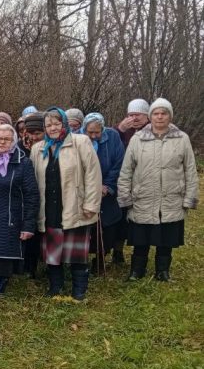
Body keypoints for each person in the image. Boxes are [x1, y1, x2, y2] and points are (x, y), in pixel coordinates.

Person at [118, 98, 199, 282]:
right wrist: (125, 197)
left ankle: (162, 272)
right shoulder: (138, 139)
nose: (160, 117)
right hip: (143, 197)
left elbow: (190, 170)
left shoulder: (182, 138)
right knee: (141, 238)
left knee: (166, 237)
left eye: (164, 113)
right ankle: (136, 271)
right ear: (150, 116)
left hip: (171, 198)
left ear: (170, 116)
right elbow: (126, 171)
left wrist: (189, 198)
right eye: (156, 113)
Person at [30, 108, 102, 301]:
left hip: (74, 206)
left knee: (77, 253)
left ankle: (79, 290)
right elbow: (34, 181)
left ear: (64, 123)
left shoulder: (80, 142)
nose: (53, 128)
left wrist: (91, 204)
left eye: (56, 123)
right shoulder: (38, 149)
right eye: (48, 125)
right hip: (49, 208)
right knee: (52, 252)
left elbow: (93, 175)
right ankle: (55, 287)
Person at [0, 124, 39, 295]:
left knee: (4, 249)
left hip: (10, 217)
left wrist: (28, 225)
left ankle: (0, 282)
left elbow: (31, 195)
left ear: (14, 141)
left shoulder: (23, 163)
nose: (2, 142)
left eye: (7, 139)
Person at [81, 113, 126, 274]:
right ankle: (82, 261)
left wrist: (106, 185)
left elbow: (118, 163)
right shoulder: (78, 139)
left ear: (103, 129)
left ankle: (101, 258)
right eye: (90, 132)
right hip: (84, 192)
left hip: (107, 191)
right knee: (86, 229)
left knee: (108, 227)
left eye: (97, 132)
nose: (93, 136)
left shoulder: (113, 137)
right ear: (84, 129)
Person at [21, 112, 47, 278]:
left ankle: (40, 265)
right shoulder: (19, 147)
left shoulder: (48, 147)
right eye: (30, 133)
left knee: (40, 232)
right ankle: (26, 267)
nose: (33, 137)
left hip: (43, 193)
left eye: (37, 133)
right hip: (24, 195)